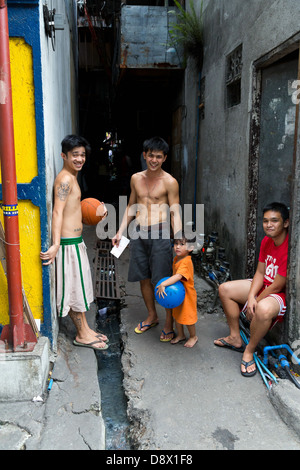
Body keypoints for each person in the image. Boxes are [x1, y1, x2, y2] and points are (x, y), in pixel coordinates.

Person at [40, 135, 108, 351]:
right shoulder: (65, 179)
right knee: (72, 291)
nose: (80, 159)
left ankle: (86, 330)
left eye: (82, 155)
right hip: (67, 245)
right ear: (64, 156)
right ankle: (81, 334)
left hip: (76, 242)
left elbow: (74, 212)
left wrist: (98, 213)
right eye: (75, 155)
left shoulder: (73, 177)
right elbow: (57, 212)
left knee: (79, 290)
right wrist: (56, 244)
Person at [112, 136, 181, 342]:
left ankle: (168, 322)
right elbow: (131, 207)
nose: (154, 160)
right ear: (144, 155)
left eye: (158, 157)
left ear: (164, 158)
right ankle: (152, 315)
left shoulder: (170, 182)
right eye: (150, 155)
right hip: (139, 233)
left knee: (163, 279)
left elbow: (175, 212)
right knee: (143, 277)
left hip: (160, 234)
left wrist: (178, 238)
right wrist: (119, 231)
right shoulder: (136, 178)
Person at [214, 202, 289, 377]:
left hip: (279, 294)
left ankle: (249, 350)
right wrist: (251, 297)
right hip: (265, 286)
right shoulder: (266, 240)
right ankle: (235, 337)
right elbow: (260, 272)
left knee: (262, 309)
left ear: (285, 223)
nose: (268, 225)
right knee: (225, 289)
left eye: (274, 221)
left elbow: (278, 284)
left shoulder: (289, 248)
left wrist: (256, 301)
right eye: (265, 221)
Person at [156, 232, 198, 348]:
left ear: (191, 248)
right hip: (178, 295)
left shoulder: (186, 261)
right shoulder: (178, 258)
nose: (177, 247)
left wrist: (164, 283)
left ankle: (193, 336)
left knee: (188, 318)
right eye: (176, 243)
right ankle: (181, 335)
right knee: (177, 315)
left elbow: (179, 276)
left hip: (187, 296)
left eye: (182, 244)